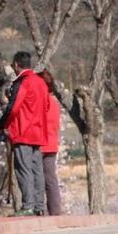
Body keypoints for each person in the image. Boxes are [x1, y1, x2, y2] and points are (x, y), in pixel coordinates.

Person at [0, 51, 49, 215]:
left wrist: (0, 125)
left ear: (17, 65)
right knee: (37, 170)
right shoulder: (41, 82)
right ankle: (40, 206)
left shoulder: (22, 82)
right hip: (38, 132)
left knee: (23, 169)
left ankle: (28, 206)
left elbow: (13, 108)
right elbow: (46, 106)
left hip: (23, 132)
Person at [38, 70, 65, 215]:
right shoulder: (54, 103)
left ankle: (38, 209)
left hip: (39, 144)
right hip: (52, 144)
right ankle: (55, 211)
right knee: (51, 179)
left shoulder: (41, 103)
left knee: (36, 178)